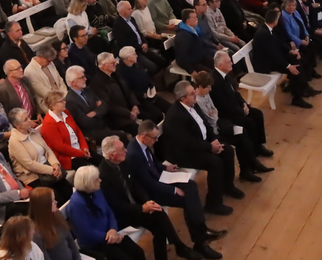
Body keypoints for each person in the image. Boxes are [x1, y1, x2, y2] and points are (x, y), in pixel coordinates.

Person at [98, 136, 205, 260]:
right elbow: (116, 205)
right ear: (112, 155)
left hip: (136, 206)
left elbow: (135, 185)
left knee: (158, 218)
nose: (126, 151)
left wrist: (147, 201)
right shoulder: (103, 176)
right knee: (159, 221)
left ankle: (177, 248)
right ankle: (180, 247)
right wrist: (141, 208)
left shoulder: (123, 163)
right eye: (122, 149)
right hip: (123, 216)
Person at [163, 81, 242, 213]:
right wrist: (210, 147)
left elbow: (205, 125)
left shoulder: (193, 105)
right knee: (215, 163)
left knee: (227, 150)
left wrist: (215, 140)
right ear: (183, 98)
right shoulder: (176, 116)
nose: (195, 95)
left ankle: (227, 186)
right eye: (192, 93)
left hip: (199, 144)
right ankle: (213, 203)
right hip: (183, 154)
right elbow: (188, 142)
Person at [65, 165, 146, 260]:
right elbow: (86, 232)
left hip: (110, 234)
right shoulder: (77, 203)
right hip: (95, 243)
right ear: (88, 183)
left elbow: (109, 212)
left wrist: (113, 229)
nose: (100, 180)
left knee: (138, 252)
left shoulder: (96, 192)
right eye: (96, 179)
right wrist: (109, 237)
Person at [8, 108, 73, 206]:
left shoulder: (32, 132)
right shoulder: (14, 141)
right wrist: (52, 170)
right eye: (25, 120)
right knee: (56, 197)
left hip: (48, 168)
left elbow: (48, 150)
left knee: (68, 189)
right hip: (33, 176)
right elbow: (30, 165)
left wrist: (55, 164)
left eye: (28, 117)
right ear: (17, 125)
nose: (30, 120)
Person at [41, 91, 95, 170]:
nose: (65, 102)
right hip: (68, 157)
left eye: (64, 100)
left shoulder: (66, 112)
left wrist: (84, 147)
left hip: (80, 151)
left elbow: (77, 131)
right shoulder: (49, 123)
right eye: (61, 101)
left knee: (100, 160)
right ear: (52, 105)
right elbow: (60, 147)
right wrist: (81, 153)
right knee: (90, 169)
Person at [29, 187, 82, 260]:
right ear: (44, 206)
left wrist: (78, 258)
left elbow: (70, 240)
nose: (56, 202)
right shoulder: (36, 234)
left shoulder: (57, 215)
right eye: (53, 201)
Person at [25, 44, 67, 113]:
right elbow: (44, 93)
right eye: (48, 61)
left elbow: (60, 80)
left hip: (61, 96)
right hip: (47, 102)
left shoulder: (50, 63)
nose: (50, 63)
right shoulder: (30, 71)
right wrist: (60, 100)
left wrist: (65, 95)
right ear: (41, 57)